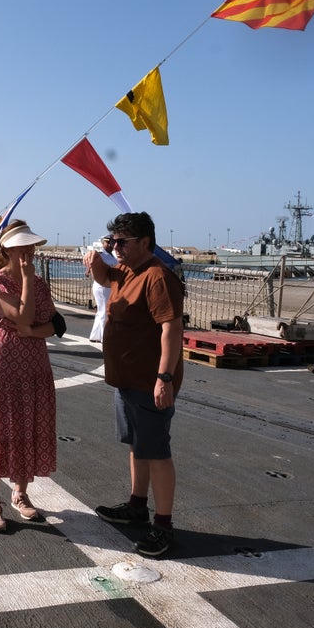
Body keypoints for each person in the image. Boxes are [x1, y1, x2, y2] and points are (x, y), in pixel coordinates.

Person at [84, 212, 184, 557]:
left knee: (156, 452)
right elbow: (105, 276)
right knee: (136, 446)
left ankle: (164, 525)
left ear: (144, 242)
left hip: (148, 381)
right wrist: (96, 260)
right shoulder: (127, 269)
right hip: (127, 379)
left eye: (122, 242)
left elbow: (172, 329)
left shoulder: (157, 277)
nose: (116, 247)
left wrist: (164, 378)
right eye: (112, 241)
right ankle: (137, 505)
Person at [0, 220, 58, 533]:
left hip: (34, 364)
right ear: (7, 249)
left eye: (31, 247)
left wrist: (33, 330)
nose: (28, 252)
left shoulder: (38, 283)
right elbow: (21, 317)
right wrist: (30, 322)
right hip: (4, 364)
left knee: (27, 427)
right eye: (21, 247)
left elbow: (52, 324)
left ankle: (20, 492)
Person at [87, 235, 118, 342]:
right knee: (105, 310)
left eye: (112, 242)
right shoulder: (100, 256)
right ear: (103, 243)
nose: (110, 245)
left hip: (109, 285)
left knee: (101, 311)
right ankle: (105, 337)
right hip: (102, 286)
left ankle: (95, 335)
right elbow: (91, 268)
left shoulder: (113, 256)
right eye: (108, 242)